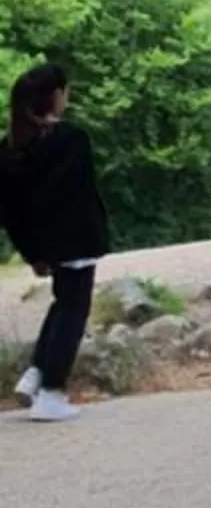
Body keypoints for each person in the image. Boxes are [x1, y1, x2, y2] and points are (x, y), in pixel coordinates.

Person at [0, 62, 110, 423]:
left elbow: (10, 210)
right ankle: (51, 391)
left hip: (45, 244)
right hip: (76, 239)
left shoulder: (10, 148)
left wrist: (33, 252)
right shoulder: (71, 139)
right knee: (73, 312)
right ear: (56, 96)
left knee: (62, 304)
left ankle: (35, 373)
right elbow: (79, 194)